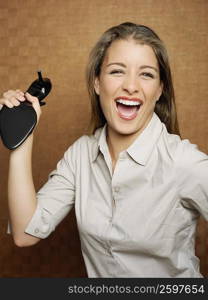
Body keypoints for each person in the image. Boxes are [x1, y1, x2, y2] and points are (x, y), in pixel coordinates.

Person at [0, 22, 208, 278]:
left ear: (159, 90)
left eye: (146, 74)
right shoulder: (80, 155)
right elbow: (25, 233)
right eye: (117, 71)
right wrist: (21, 132)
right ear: (97, 82)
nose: (131, 86)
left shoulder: (183, 162)